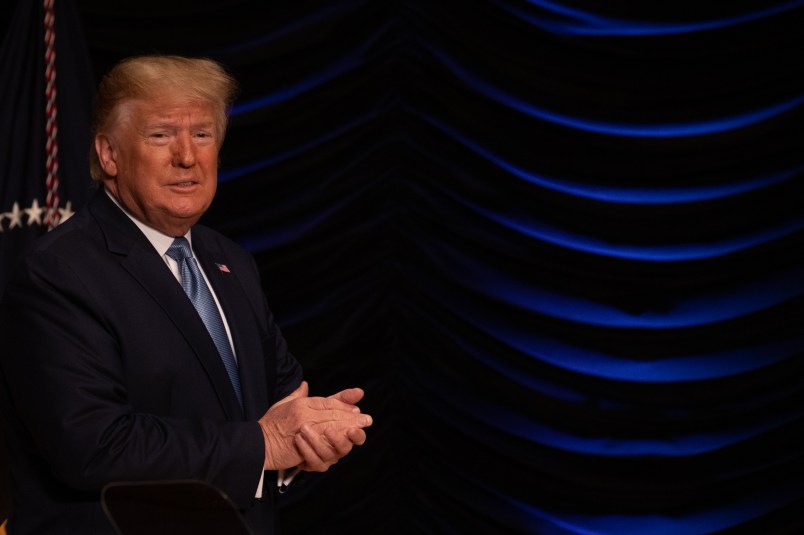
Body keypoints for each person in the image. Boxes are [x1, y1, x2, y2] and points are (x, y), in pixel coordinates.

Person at [0, 55, 372, 534]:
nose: (187, 156)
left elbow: (279, 398)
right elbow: (94, 446)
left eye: (202, 134)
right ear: (109, 154)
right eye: (160, 135)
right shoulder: (58, 272)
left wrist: (309, 433)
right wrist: (264, 445)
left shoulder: (230, 260)